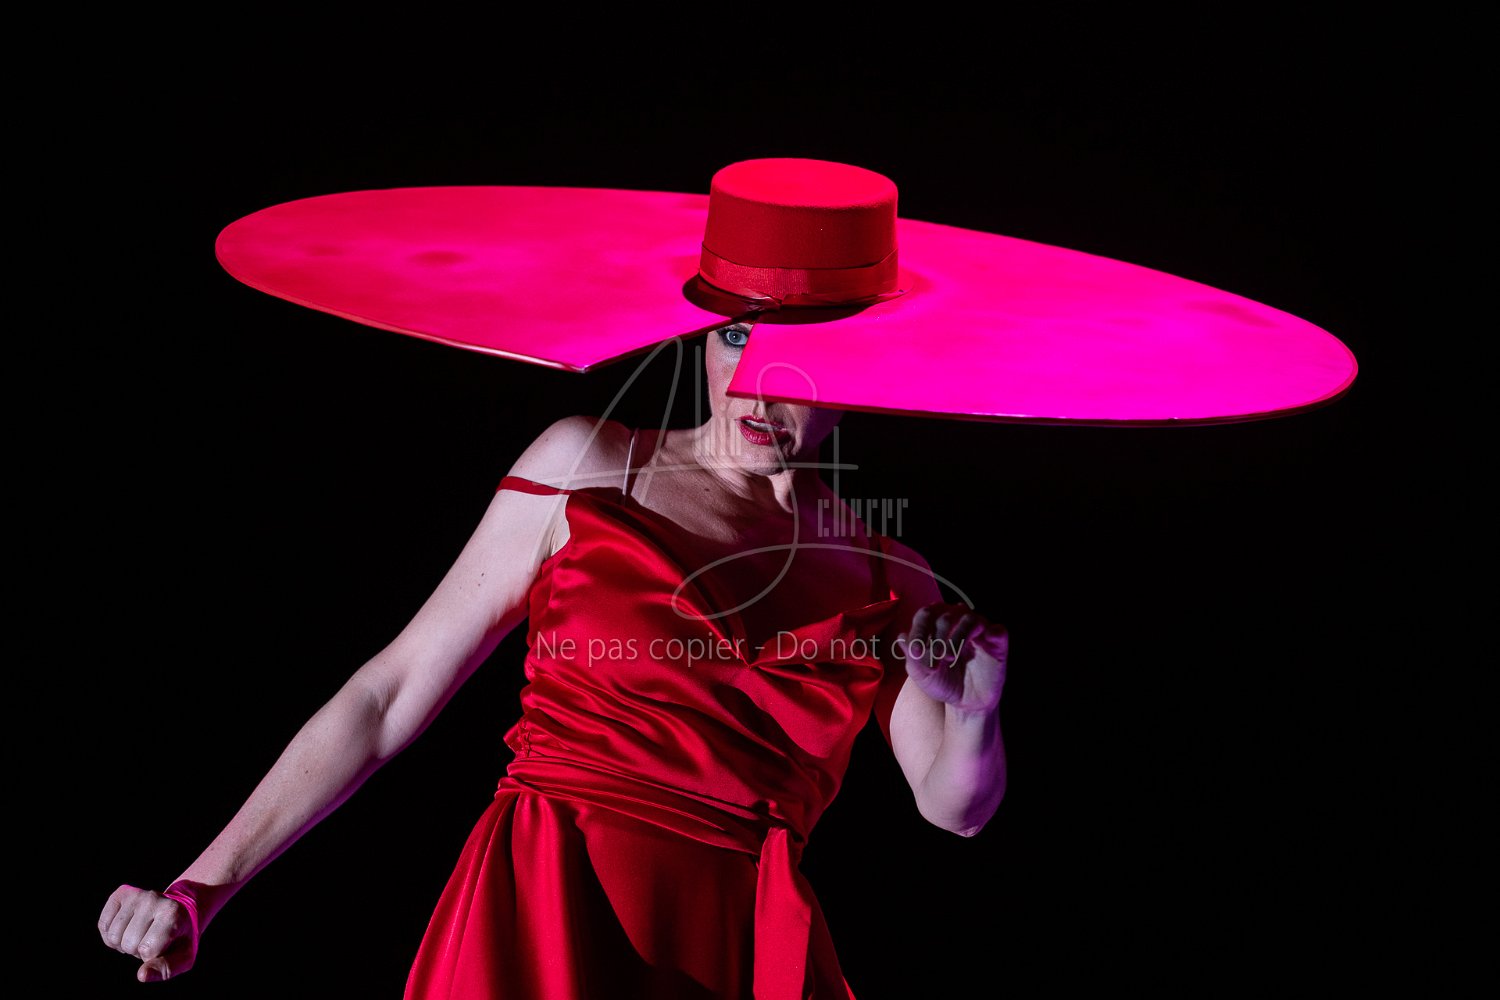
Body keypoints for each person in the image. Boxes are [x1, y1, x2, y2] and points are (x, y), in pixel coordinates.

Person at [97, 317, 1010, 997]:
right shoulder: (587, 462)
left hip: (736, 940)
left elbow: (956, 809)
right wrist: (202, 887)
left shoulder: (888, 572)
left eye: (806, 356)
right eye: (737, 338)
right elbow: (387, 694)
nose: (757, 386)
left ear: (864, 372)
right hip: (544, 905)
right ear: (702, 339)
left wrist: (972, 714)